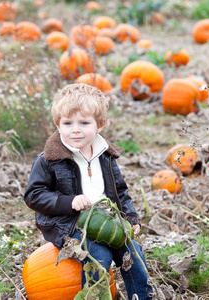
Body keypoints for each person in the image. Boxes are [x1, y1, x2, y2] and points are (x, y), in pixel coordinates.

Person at [24, 83, 153, 299]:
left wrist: (130, 218)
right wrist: (68, 202)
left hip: (107, 221)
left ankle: (142, 297)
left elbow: (120, 192)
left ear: (100, 125)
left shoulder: (106, 156)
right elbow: (33, 195)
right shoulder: (48, 159)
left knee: (134, 254)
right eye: (68, 123)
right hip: (69, 224)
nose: (75, 129)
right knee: (98, 256)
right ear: (58, 124)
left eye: (84, 123)